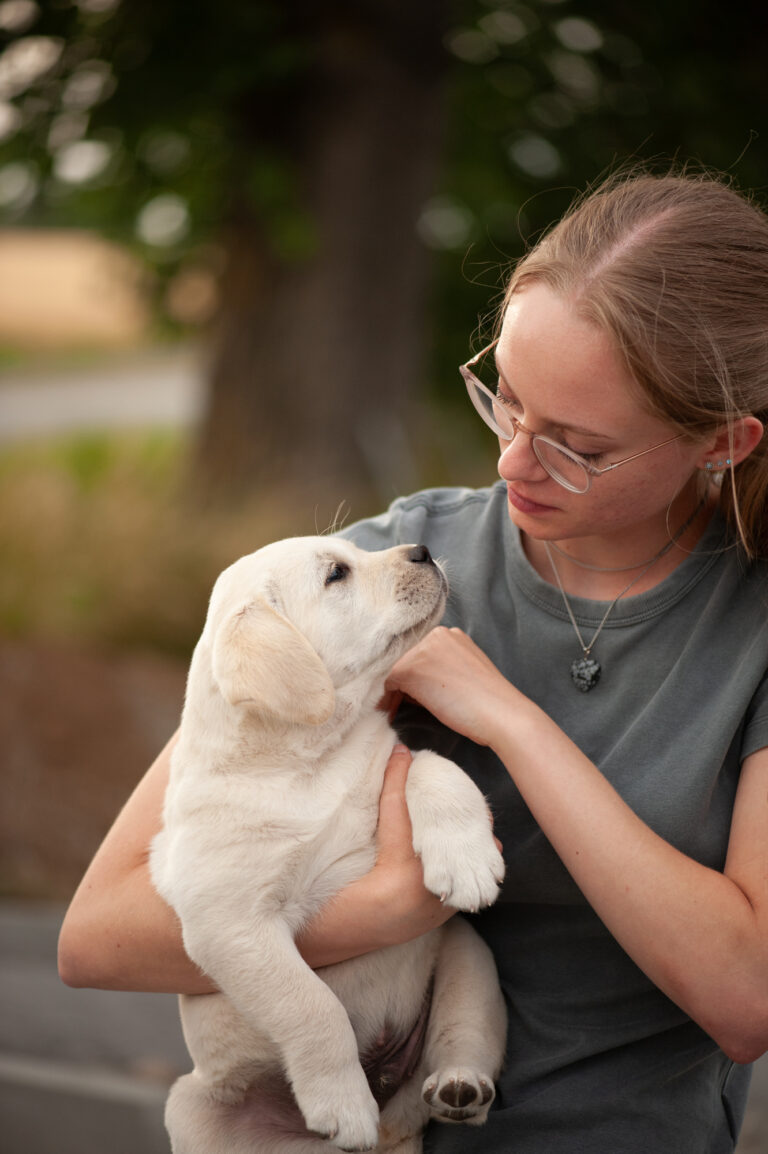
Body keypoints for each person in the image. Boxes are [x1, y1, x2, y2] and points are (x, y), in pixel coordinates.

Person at [58, 168, 768, 1153]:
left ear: (724, 443)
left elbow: (746, 996)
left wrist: (512, 723)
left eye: (578, 447)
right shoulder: (394, 574)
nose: (513, 463)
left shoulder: (751, 626)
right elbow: (98, 934)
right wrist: (379, 908)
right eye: (504, 400)